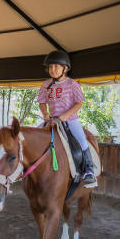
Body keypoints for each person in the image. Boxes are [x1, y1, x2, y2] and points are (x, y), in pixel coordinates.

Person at [37, 50, 96, 185]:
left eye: (56, 66)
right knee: (36, 136)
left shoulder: (72, 84)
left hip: (70, 120)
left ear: (65, 68)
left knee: (82, 140)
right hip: (51, 120)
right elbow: (41, 102)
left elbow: (79, 103)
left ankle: (89, 170)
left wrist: (65, 115)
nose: (53, 69)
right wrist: (45, 114)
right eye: (50, 67)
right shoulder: (46, 84)